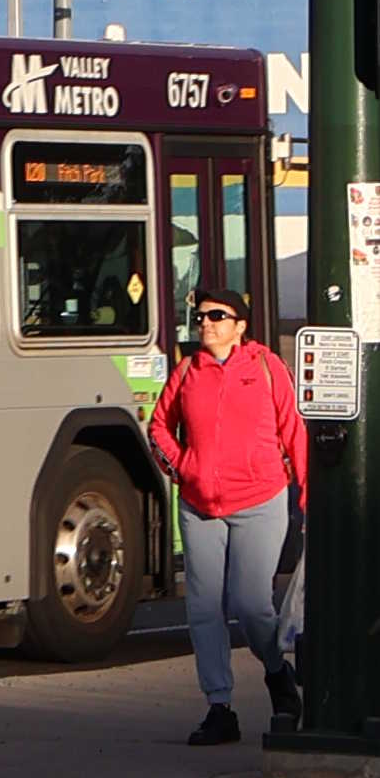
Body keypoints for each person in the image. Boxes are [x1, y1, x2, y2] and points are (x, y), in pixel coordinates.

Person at [148, 288, 306, 745]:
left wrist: (306, 495)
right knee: (202, 607)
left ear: (240, 326)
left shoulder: (265, 368)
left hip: (259, 501)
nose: (206, 324)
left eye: (218, 316)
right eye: (200, 317)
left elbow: (293, 429)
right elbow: (158, 426)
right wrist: (184, 468)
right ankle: (219, 706)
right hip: (200, 506)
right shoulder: (187, 371)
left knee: (250, 605)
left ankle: (277, 673)